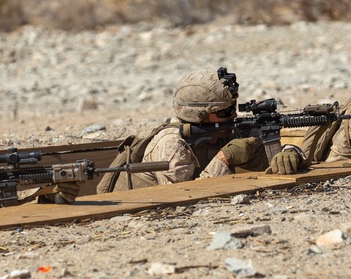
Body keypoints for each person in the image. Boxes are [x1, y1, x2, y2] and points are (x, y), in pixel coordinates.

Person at [96, 67, 303, 193]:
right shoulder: (172, 145)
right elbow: (181, 196)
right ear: (199, 116)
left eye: (232, 108)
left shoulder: (221, 131)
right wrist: (224, 159)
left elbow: (264, 153)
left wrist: (289, 153)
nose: (233, 115)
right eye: (224, 112)